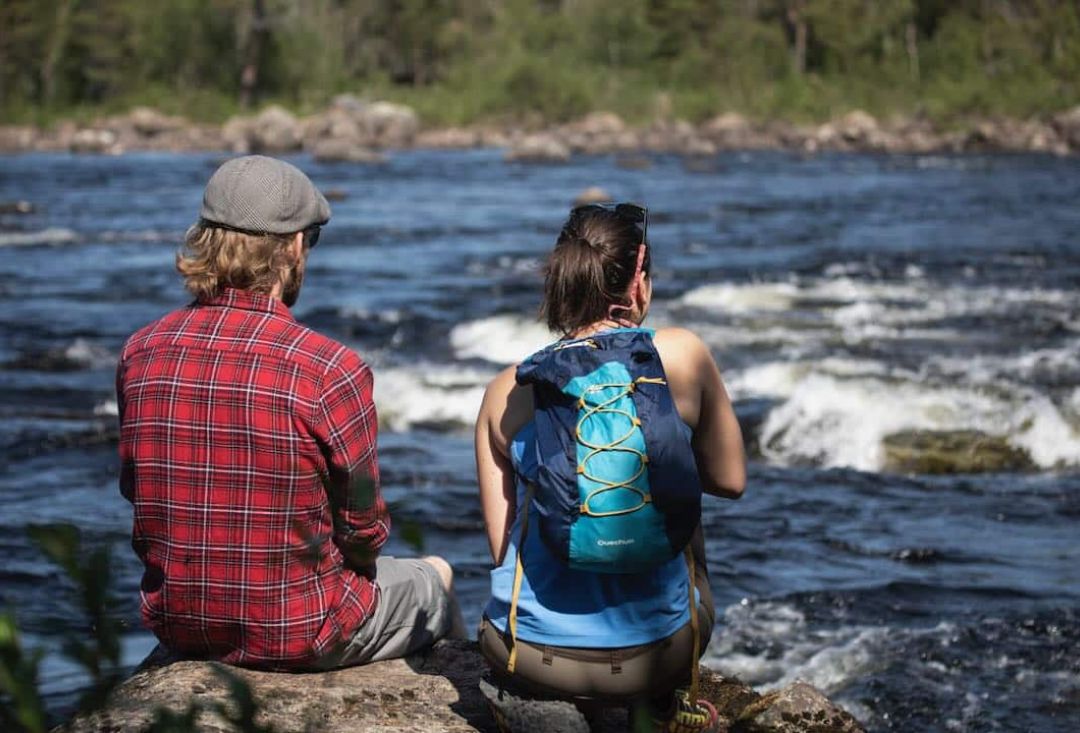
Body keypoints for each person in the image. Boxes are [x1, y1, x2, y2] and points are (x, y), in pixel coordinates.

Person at [117, 155, 459, 671]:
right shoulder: (330, 369)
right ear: (295, 245)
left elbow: (138, 495)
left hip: (180, 624)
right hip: (301, 631)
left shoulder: (139, 353)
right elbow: (364, 532)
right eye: (311, 241)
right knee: (437, 575)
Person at [474, 202, 746, 732]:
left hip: (534, 659)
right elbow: (732, 481)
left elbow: (502, 546)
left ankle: (535, 703)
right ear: (638, 284)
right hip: (659, 657)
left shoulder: (505, 392)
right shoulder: (683, 355)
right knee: (677, 485)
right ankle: (662, 701)